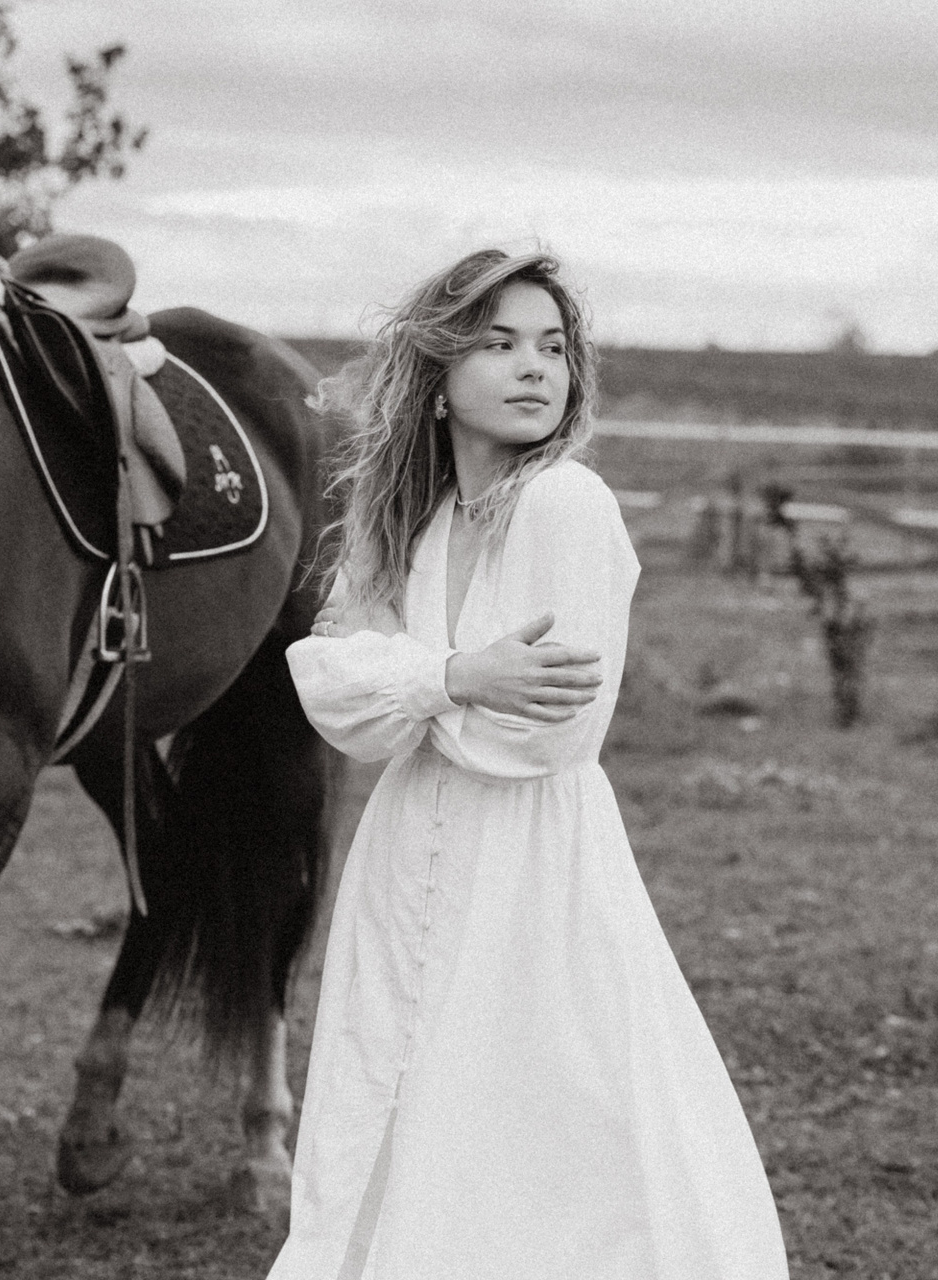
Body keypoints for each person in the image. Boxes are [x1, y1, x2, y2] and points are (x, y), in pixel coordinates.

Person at [269, 249, 788, 1279]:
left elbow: (551, 731)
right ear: (439, 377)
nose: (534, 366)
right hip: (406, 855)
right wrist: (458, 675)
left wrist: (408, 683)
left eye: (552, 346)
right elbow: (329, 692)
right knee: (397, 1087)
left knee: (543, 1110)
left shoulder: (567, 503)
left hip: (533, 861)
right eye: (500, 343)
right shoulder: (410, 522)